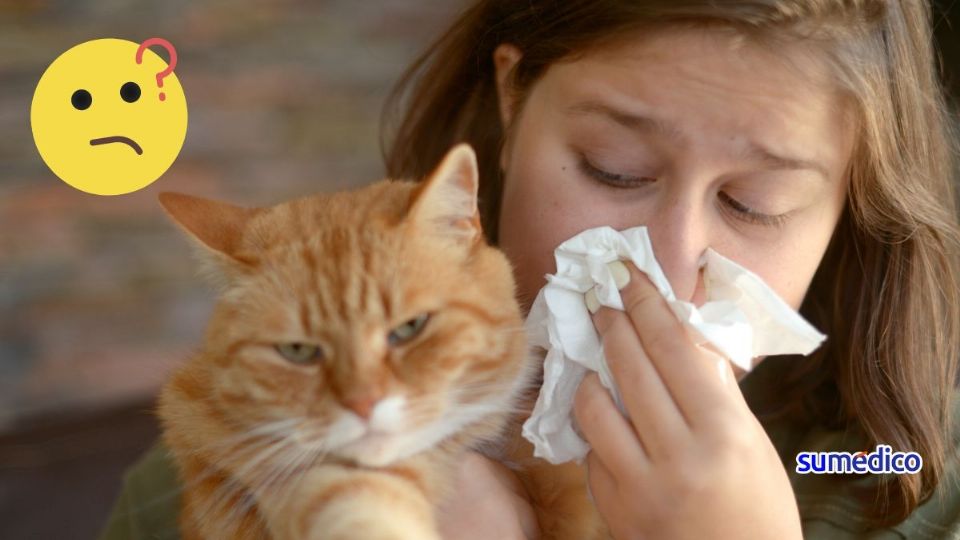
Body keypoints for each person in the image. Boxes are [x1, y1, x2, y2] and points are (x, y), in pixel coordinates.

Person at [101, 1, 960, 538]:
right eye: (613, 169)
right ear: (511, 104)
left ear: (855, 198)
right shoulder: (235, 458)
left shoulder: (875, 461)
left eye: (755, 203)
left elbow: (886, 468)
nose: (662, 265)